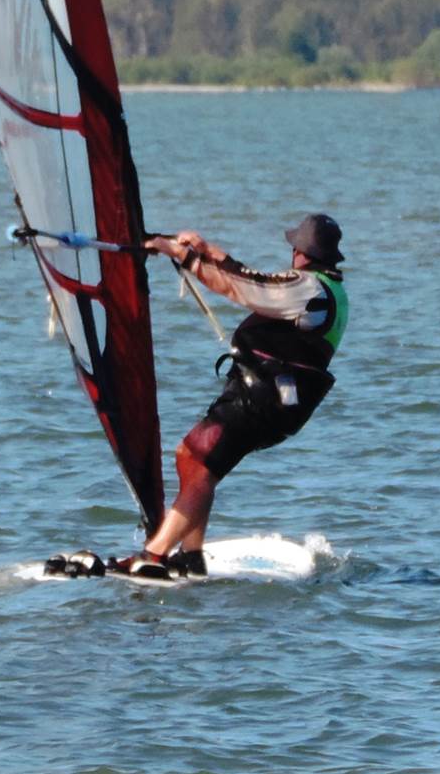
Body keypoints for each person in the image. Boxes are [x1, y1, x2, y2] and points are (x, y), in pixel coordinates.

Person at [108, 212, 350, 579]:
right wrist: (208, 251)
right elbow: (254, 278)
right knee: (192, 458)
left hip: (261, 400)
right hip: (267, 399)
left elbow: (247, 288)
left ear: (301, 252)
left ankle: (154, 554)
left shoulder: (308, 290)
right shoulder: (329, 288)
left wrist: (186, 257)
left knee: (200, 462)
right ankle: (191, 556)